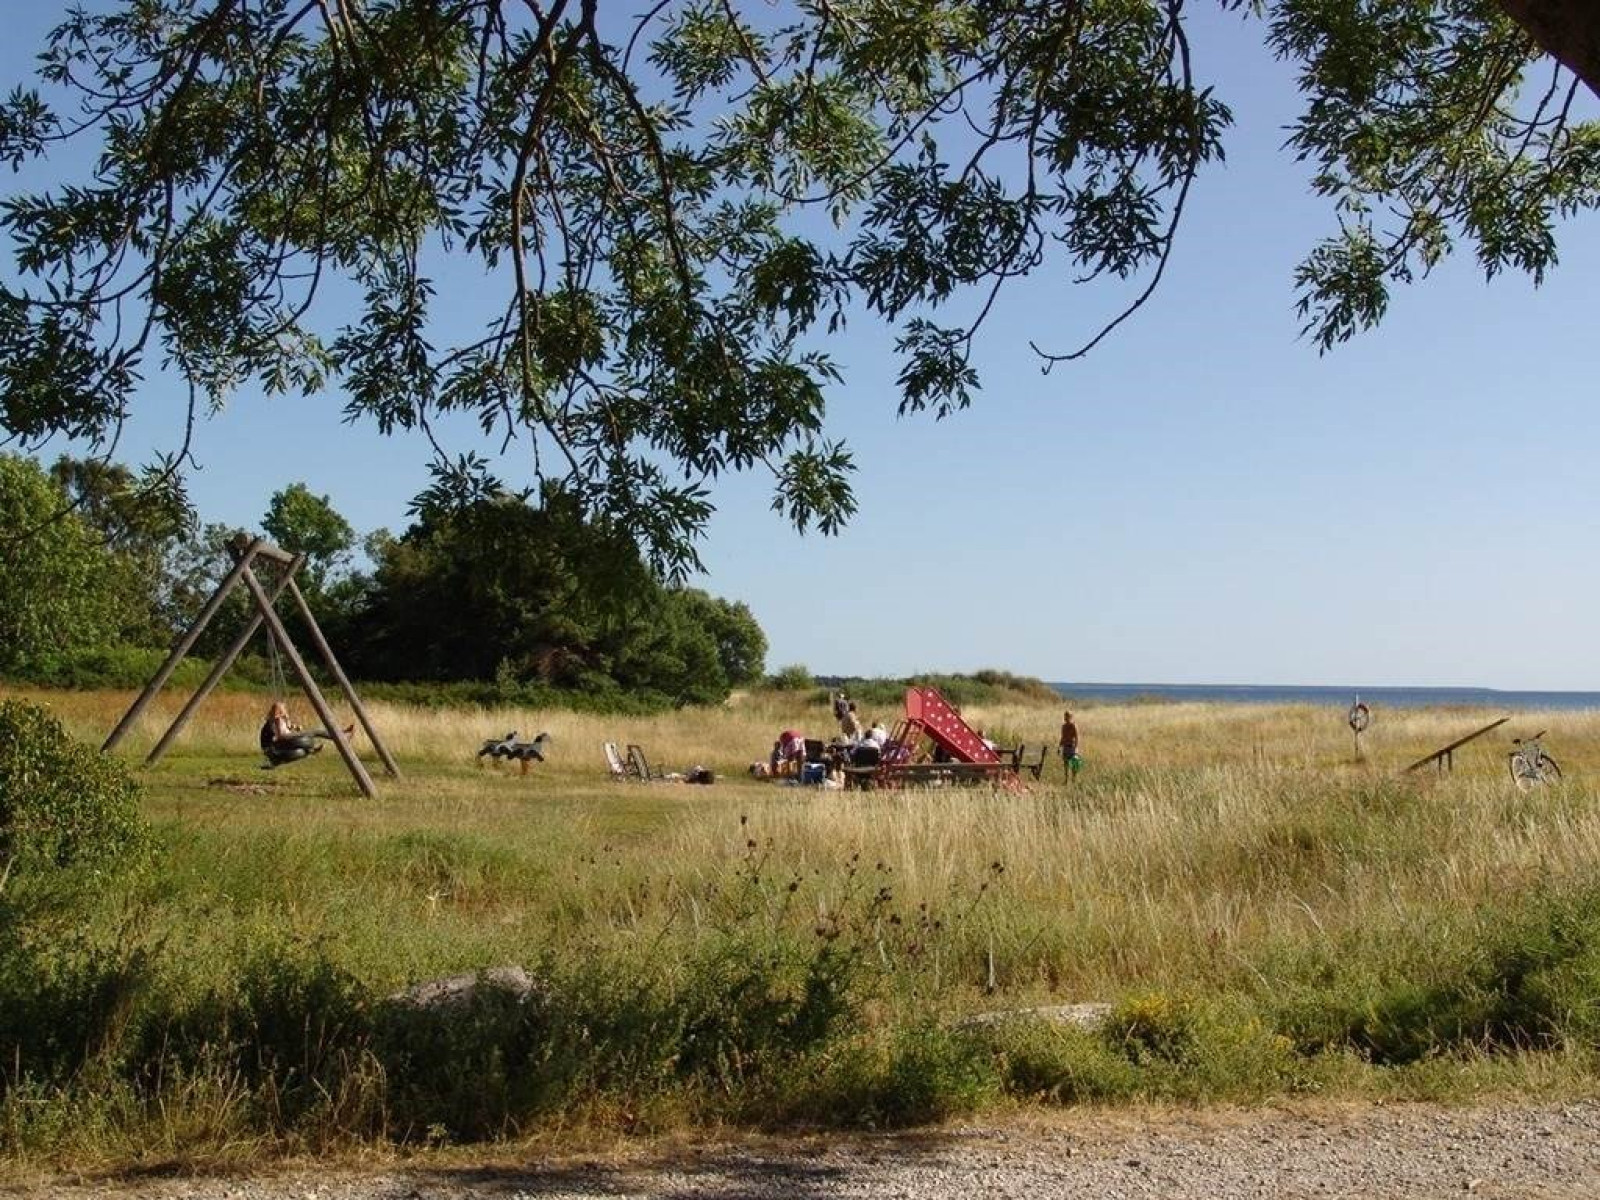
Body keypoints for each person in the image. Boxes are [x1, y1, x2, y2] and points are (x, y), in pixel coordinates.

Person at [1060, 708, 1081, 779]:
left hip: (1072, 747)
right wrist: (1060, 746)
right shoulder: (1063, 726)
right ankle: (1066, 779)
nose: (1065, 718)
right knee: (1066, 764)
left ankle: (1074, 780)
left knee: (1074, 764)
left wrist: (1076, 748)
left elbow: (1077, 737)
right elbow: (1062, 737)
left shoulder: (1074, 726)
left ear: (1071, 717)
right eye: (1065, 716)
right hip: (1065, 747)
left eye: (1067, 716)